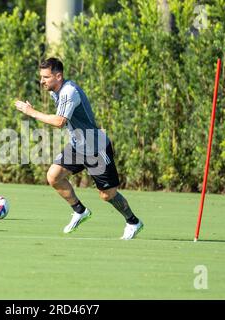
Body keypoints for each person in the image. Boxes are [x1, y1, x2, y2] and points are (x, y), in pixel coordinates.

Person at [15, 57, 143, 239]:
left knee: (107, 195)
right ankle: (80, 210)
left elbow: (60, 122)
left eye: (46, 77)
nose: (42, 81)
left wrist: (31, 112)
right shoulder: (55, 92)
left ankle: (133, 222)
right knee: (53, 176)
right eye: (41, 77)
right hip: (78, 145)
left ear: (58, 76)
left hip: (95, 147)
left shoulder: (69, 92)